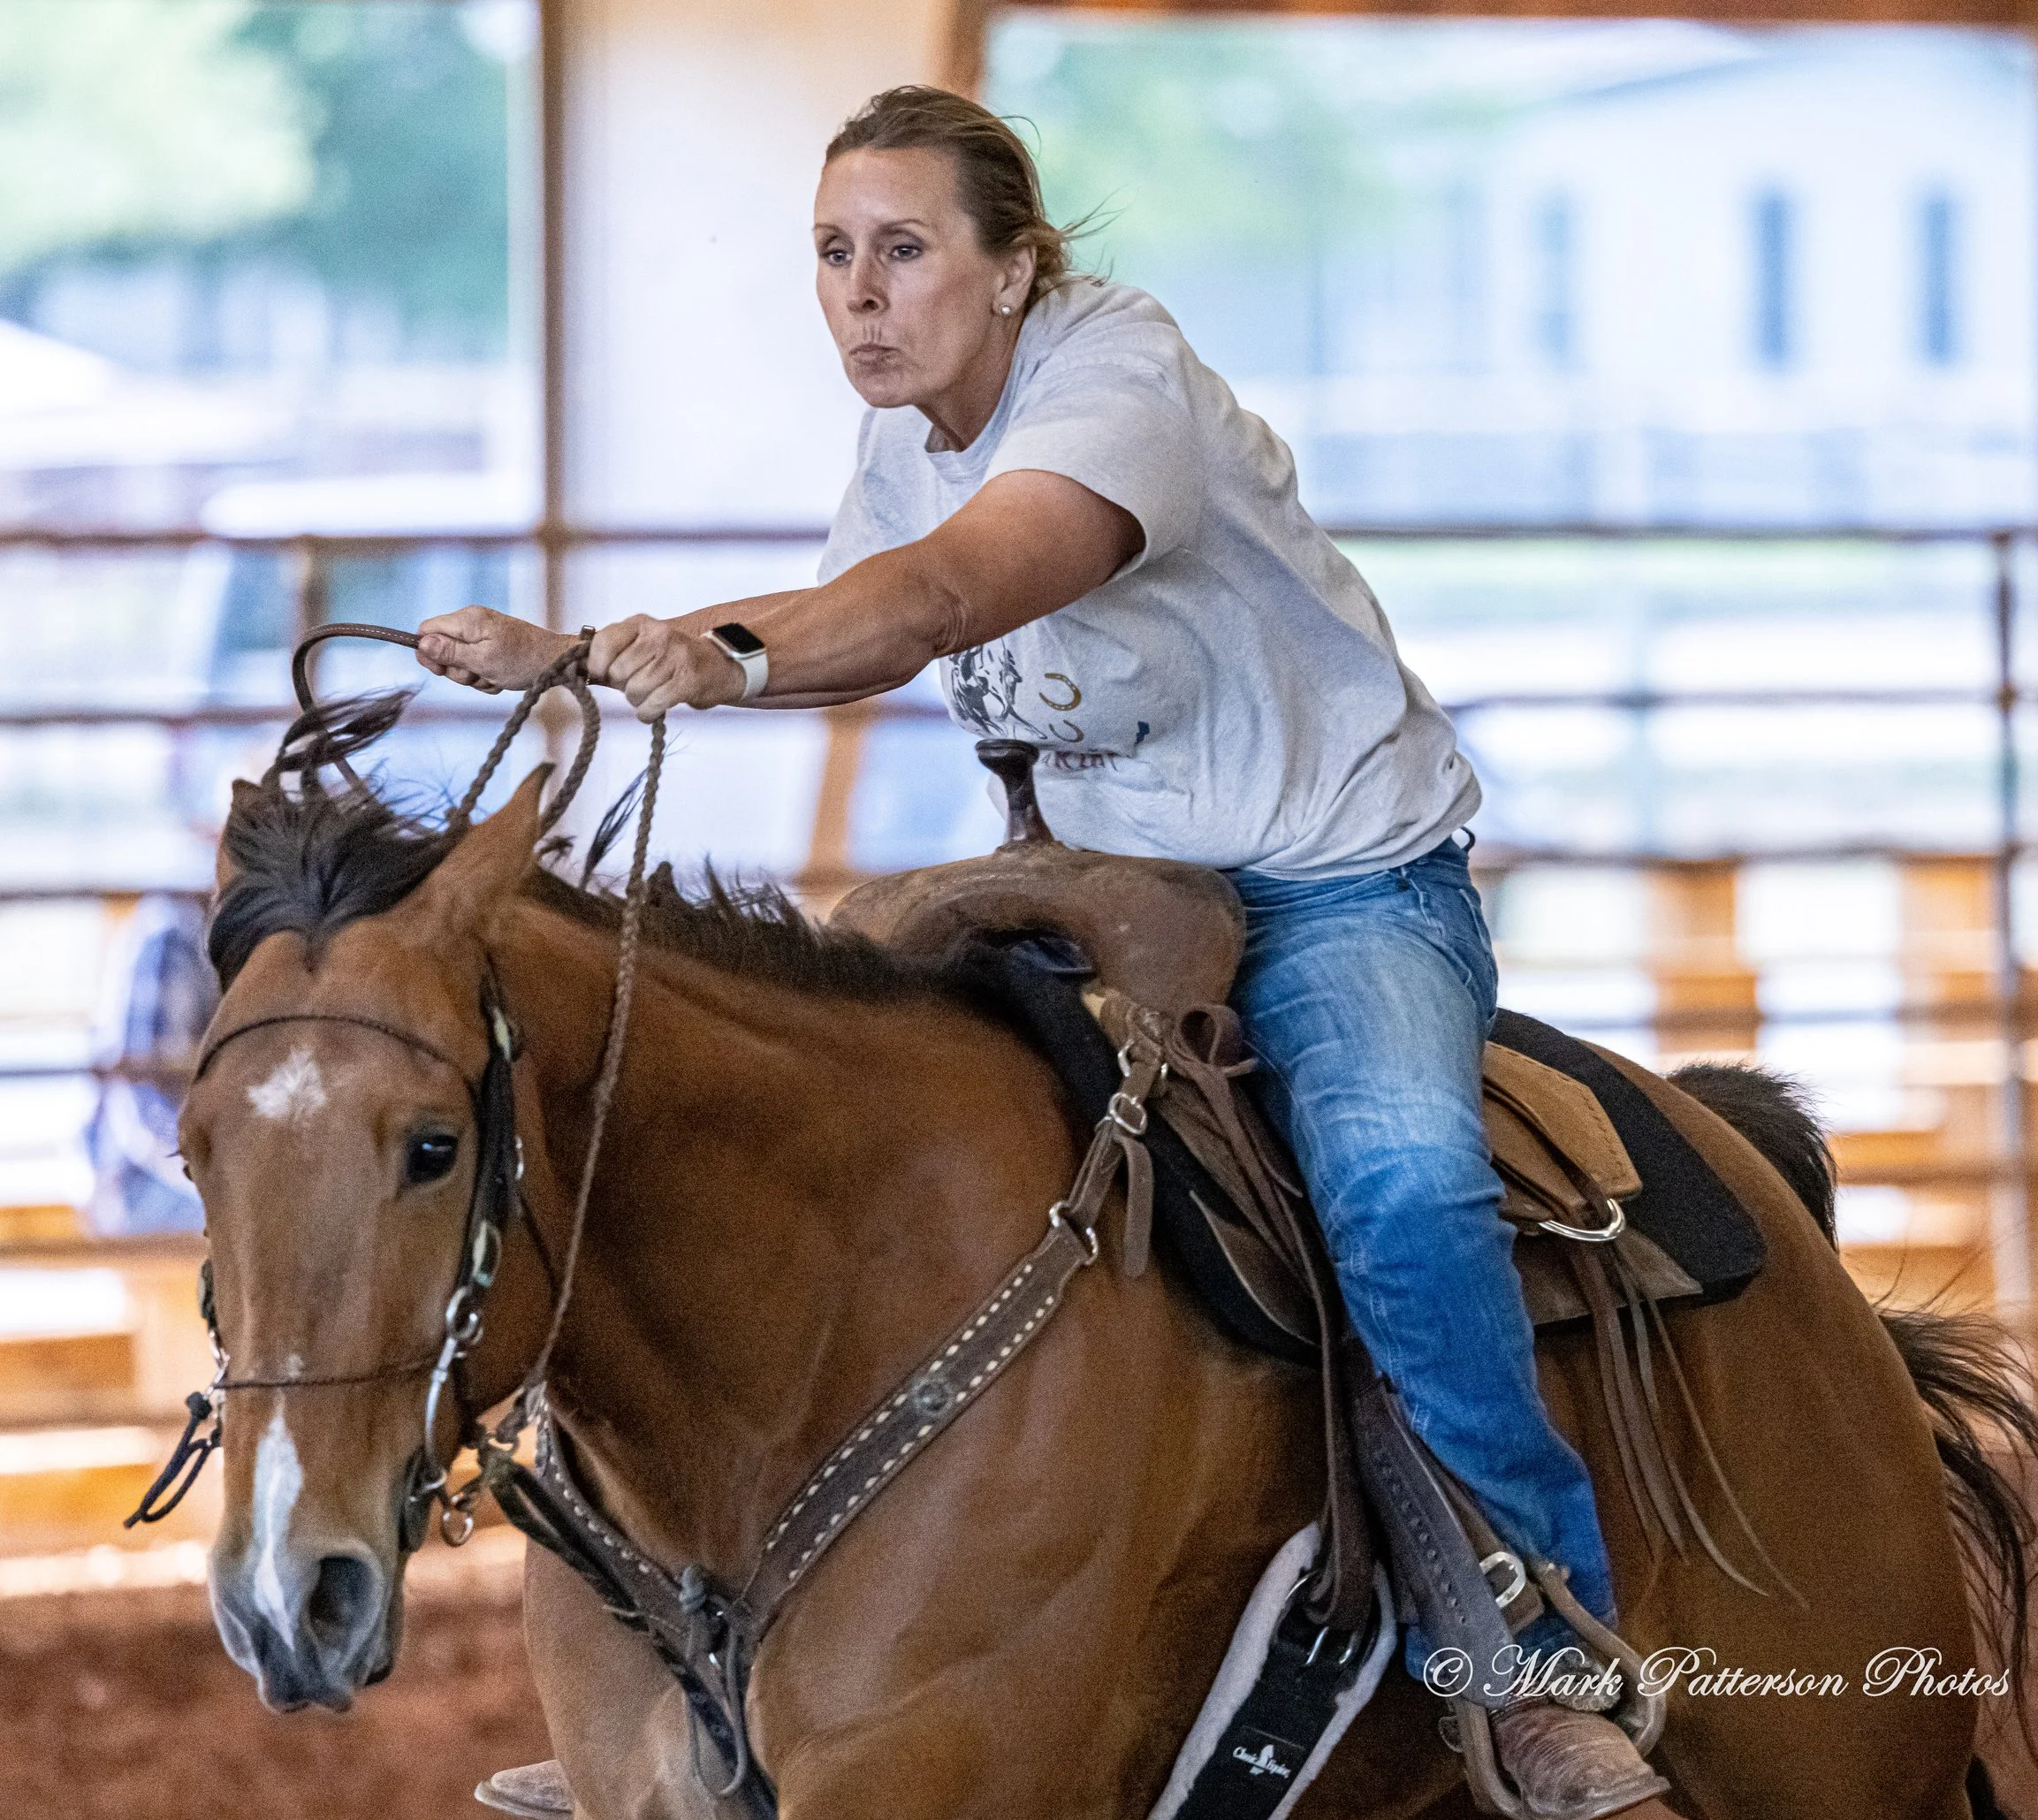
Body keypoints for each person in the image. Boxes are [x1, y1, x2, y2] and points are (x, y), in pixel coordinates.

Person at [427, 86, 1673, 1820]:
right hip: (1095, 886)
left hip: (1330, 877)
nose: (862, 293)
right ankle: (709, 1659)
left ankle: (1531, 1652)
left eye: (907, 251)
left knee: (1394, 1182)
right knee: (830, 1116)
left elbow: (942, 598)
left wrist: (678, 656)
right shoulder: (902, 443)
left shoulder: (1115, 382)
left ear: (1014, 271)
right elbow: (853, 632)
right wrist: (601, 651)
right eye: (832, 255)